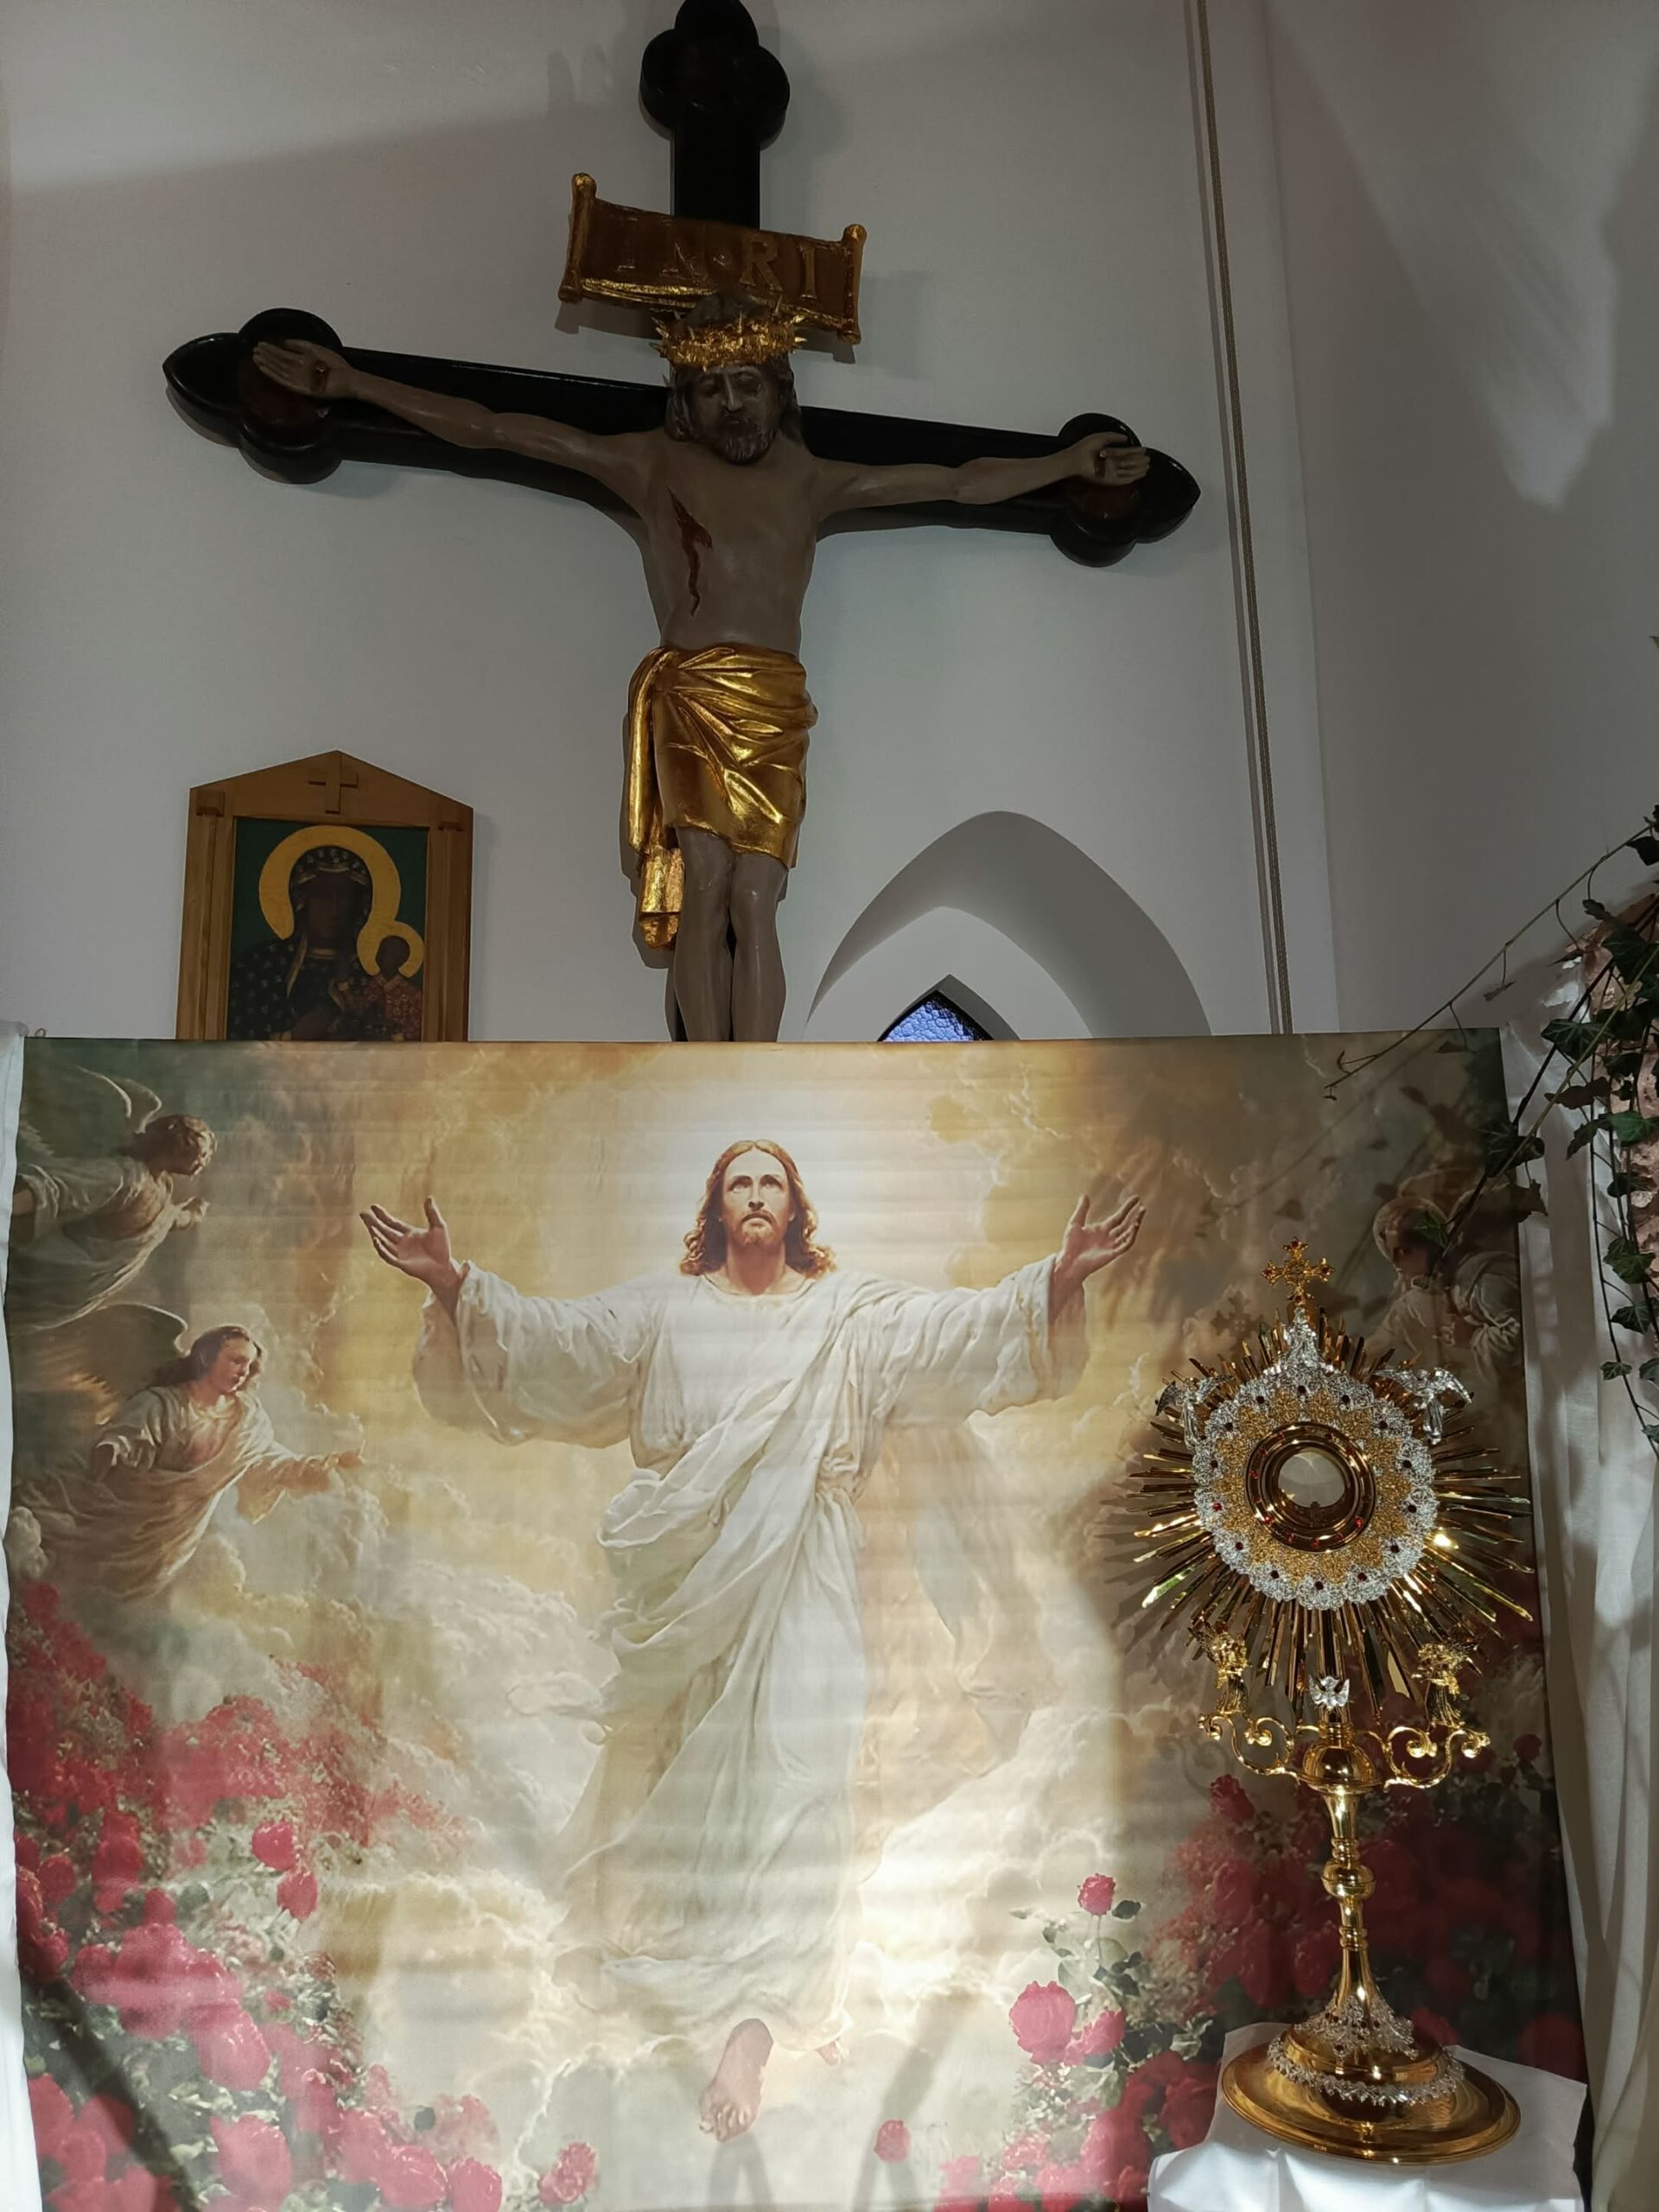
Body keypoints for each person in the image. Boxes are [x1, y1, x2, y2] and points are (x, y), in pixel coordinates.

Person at [362, 1141, 1145, 2139]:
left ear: (795, 1206)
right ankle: (703, 1996)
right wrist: (456, 1284)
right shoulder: (663, 1311)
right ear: (717, 1209)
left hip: (809, 1566)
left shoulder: (850, 1315)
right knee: (694, 1789)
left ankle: (756, 2028)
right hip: (696, 1573)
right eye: (740, 1183)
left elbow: (954, 1331)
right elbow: (562, 1343)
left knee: (806, 1778)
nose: (757, 1195)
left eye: (772, 1181)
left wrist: (1056, 1279)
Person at [253, 310, 1150, 1043]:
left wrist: (1065, 465)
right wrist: (358, 385)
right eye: (712, 389)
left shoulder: (811, 479)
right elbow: (499, 430)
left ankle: (753, 1071)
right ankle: (708, 1072)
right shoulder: (652, 465)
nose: (732, 405)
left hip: (774, 700)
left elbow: (955, 483)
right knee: (707, 881)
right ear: (685, 401)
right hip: (692, 691)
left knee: (758, 896)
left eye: (747, 385)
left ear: (777, 390)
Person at [15, 1325, 356, 1601]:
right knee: (64, 1556)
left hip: (170, 1537)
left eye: (248, 1366)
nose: (243, 1371)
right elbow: (129, 1434)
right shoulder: (164, 1403)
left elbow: (271, 1460)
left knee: (116, 1602)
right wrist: (113, 1450)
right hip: (123, 1508)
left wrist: (327, 1463)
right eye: (236, 1360)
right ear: (207, 1357)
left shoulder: (249, 1420)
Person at [10, 1068, 215, 1336]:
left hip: (65, 1297)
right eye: (202, 1153)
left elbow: (170, 1219)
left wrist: (194, 1213)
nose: (203, 1162)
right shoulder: (124, 1176)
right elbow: (55, 1190)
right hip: (44, 1278)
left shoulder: (162, 1187)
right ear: (178, 1143)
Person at [226, 843, 375, 1039]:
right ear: (301, 900)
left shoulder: (369, 972)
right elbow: (234, 1040)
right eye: (321, 895)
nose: (333, 908)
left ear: (359, 905)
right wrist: (293, 1036)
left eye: (345, 896)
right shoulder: (260, 965)